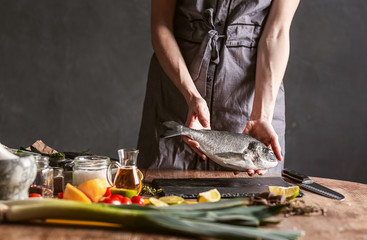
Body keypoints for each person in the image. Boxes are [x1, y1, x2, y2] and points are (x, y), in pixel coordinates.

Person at [137, 0, 300, 175]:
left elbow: (276, 33)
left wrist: (261, 116)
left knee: (256, 198)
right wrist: (191, 95)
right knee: (161, 194)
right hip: (176, 94)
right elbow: (161, 26)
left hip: (253, 102)